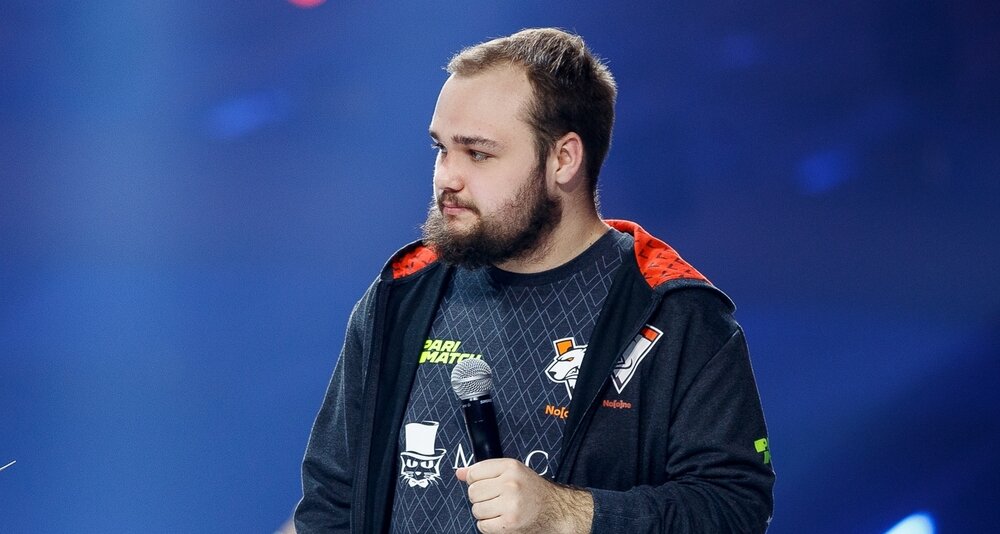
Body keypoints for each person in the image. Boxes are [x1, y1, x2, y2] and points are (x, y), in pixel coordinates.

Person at [295, 28, 774, 533]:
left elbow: (734, 508)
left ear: (563, 159)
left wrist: (563, 513)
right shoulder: (402, 292)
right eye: (441, 149)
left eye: (478, 153)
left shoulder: (675, 313)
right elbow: (331, 501)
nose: (446, 177)